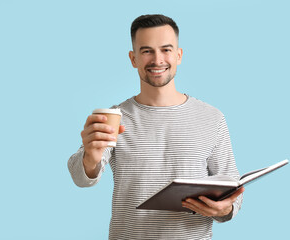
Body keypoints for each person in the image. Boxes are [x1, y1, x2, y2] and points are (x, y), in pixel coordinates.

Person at [68, 14, 244, 240]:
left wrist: (225, 210)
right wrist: (90, 156)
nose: (157, 59)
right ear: (133, 59)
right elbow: (80, 177)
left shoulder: (212, 117)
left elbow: (231, 187)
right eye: (147, 51)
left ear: (179, 55)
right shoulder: (114, 118)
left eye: (166, 49)